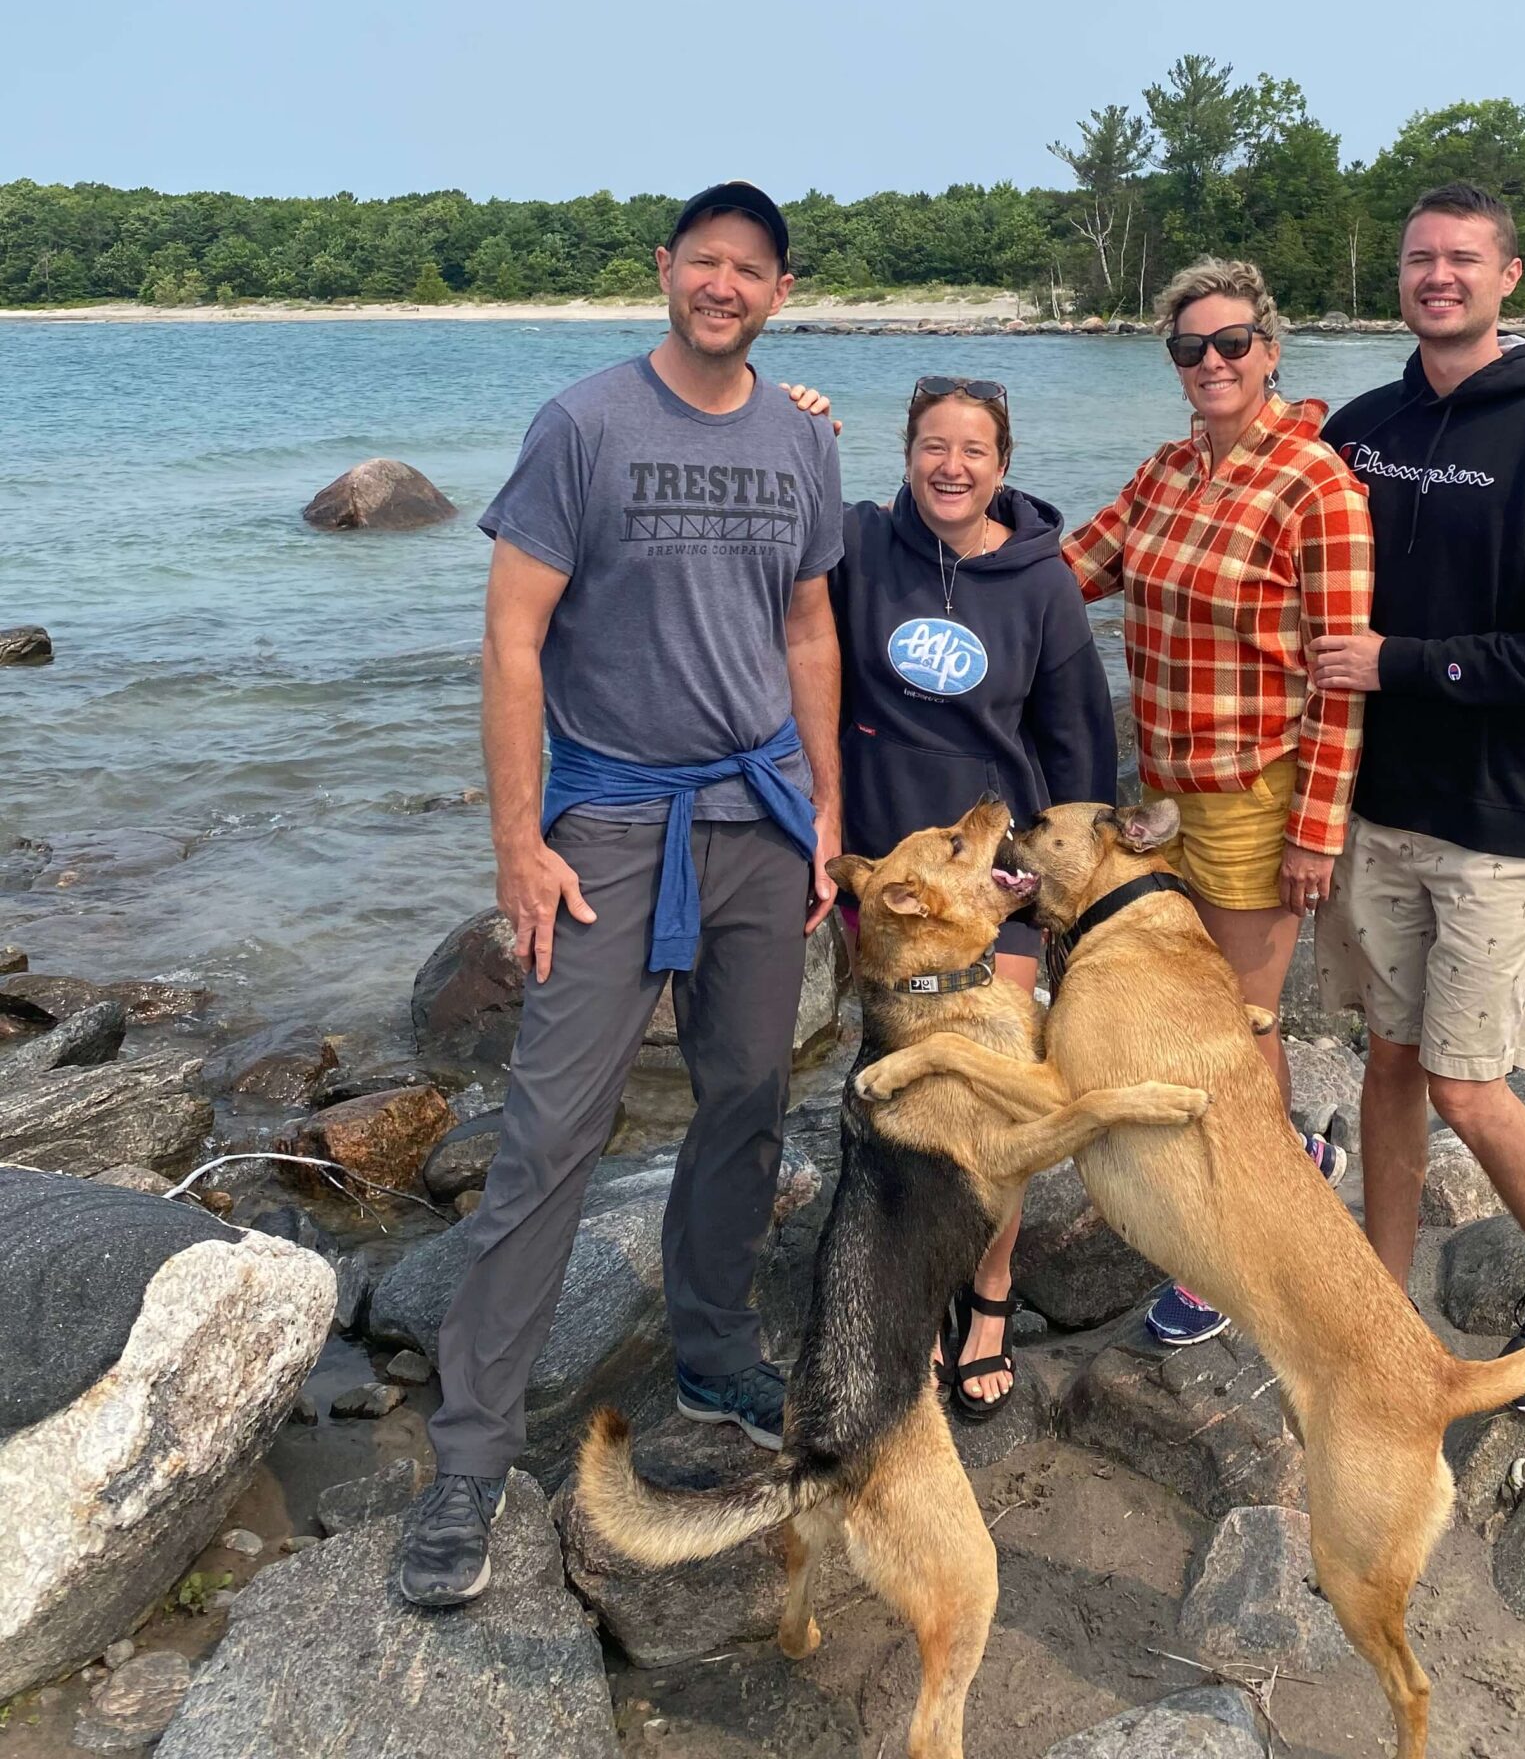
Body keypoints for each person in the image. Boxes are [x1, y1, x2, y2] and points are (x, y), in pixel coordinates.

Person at [400, 180, 843, 1609]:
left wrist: (828, 809)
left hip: (758, 818)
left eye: (751, 271)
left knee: (746, 1100)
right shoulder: (582, 424)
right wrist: (518, 843)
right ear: (667, 272)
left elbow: (809, 626)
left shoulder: (800, 440)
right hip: (605, 822)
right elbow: (511, 643)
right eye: (704, 263)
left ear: (779, 292)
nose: (725, 286)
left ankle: (713, 1352)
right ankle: (468, 1458)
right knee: (550, 1128)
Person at [1311, 180, 1525, 1412]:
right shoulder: (1362, 426)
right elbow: (1253, 499)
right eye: (1416, 260)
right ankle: (1380, 1295)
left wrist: (1401, 662)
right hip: (1380, 807)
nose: (1436, 276)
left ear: (1510, 277)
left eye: (1461, 259)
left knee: (1466, 1080)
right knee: (1388, 1061)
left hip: (1506, 820)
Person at [1065, 258, 1374, 1347]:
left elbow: (1340, 676)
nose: (1212, 363)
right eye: (1190, 348)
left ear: (1271, 349)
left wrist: (1315, 831)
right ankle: (1291, 1156)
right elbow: (1072, 571)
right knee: (1205, 1015)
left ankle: (1244, 1244)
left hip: (1253, 795)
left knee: (1237, 1030)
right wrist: (931, 582)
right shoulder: (1166, 471)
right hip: (1164, 794)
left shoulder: (1318, 486)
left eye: (1232, 343)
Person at [830, 373, 1118, 1416]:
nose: (951, 466)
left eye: (974, 449)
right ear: (905, 451)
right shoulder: (861, 546)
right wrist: (800, 422)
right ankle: (911, 1266)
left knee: (996, 1088)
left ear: (1003, 463)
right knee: (899, 1084)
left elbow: (1081, 741)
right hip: (890, 881)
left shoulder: (1041, 584)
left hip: (995, 883)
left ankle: (989, 1294)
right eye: (932, 445)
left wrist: (1076, 891)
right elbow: (756, 549)